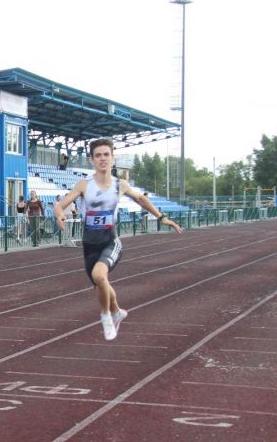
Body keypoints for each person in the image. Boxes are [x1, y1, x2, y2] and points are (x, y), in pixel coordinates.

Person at [54, 138, 182, 341]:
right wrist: (59, 214)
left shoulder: (119, 185)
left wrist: (162, 217)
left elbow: (141, 199)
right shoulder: (84, 185)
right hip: (89, 245)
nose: (103, 159)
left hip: (110, 242)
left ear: (112, 158)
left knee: (99, 275)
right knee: (101, 284)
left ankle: (106, 317)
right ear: (92, 160)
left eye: (106, 154)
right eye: (98, 155)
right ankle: (117, 311)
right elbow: (60, 204)